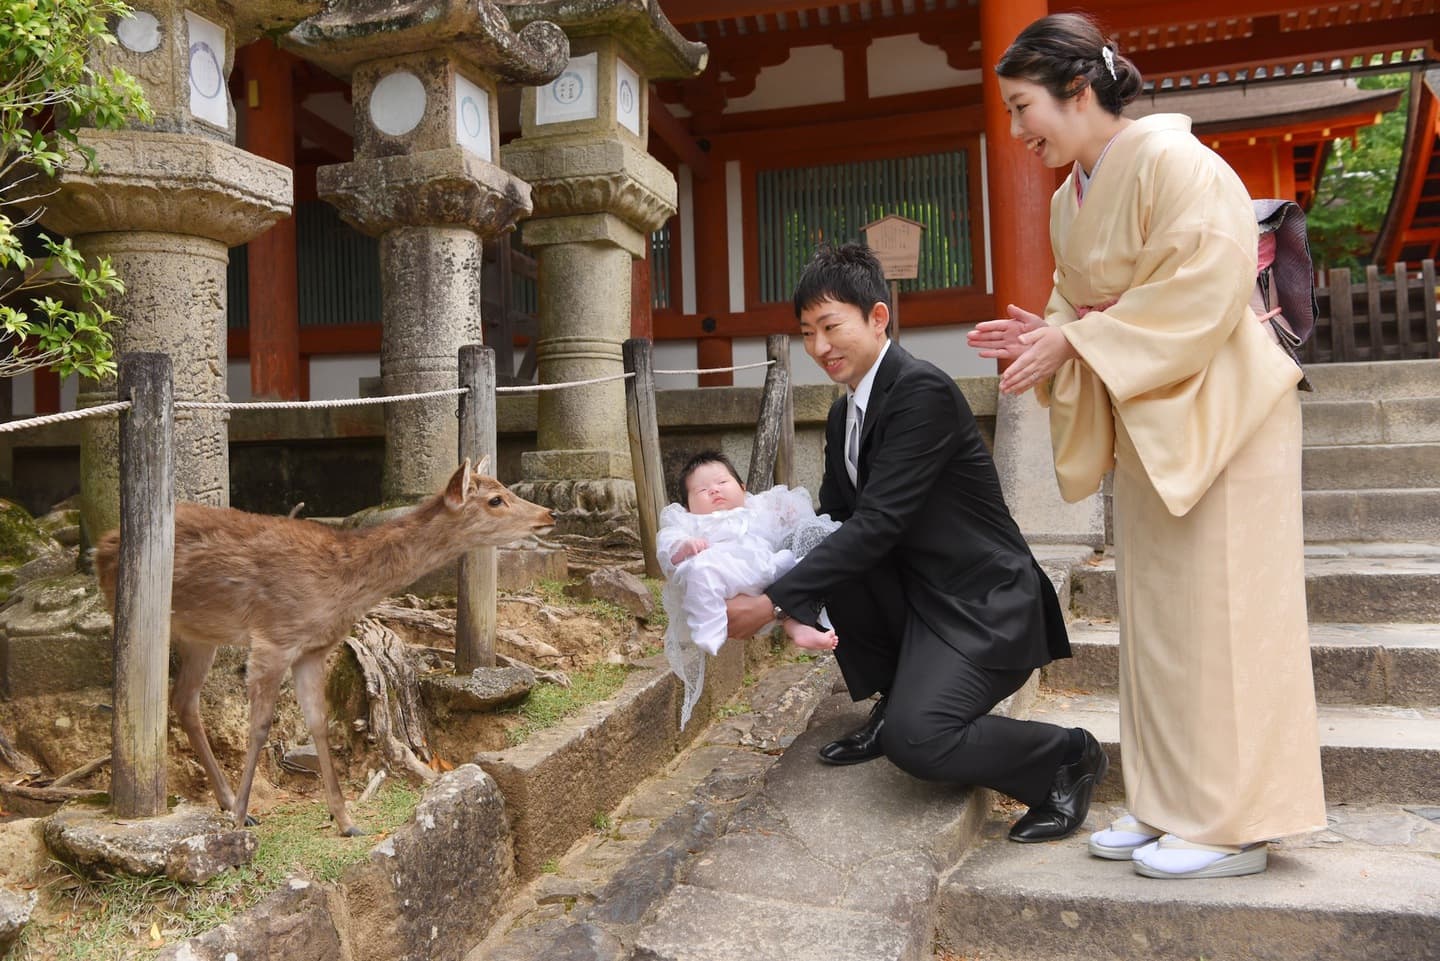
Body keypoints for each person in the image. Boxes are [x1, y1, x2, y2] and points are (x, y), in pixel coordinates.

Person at [969, 12, 1326, 879]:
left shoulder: (1178, 163)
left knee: (1226, 619)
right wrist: (1048, 338)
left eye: (1024, 109)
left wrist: (1080, 342)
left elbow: (1205, 286)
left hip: (1225, 414)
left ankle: (1236, 823)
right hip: (1154, 414)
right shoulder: (1070, 196)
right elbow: (1071, 301)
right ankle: (1169, 802)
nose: (1017, 132)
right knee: (1162, 623)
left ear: (1079, 92)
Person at [726, 242, 1104, 845]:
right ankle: (898, 691)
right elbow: (838, 517)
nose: (819, 347)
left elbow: (879, 524)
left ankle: (1063, 757)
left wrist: (775, 602)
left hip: (981, 602)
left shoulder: (920, 391)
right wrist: (742, 552)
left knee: (918, 739)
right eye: (807, 333)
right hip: (919, 594)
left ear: (878, 318)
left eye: (831, 327)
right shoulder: (842, 412)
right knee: (827, 538)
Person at [658, 450, 840, 727]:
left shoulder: (756, 508)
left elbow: (786, 514)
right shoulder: (689, 523)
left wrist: (788, 513)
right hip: (723, 576)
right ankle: (710, 626)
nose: (714, 491)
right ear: (687, 507)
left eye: (722, 483)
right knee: (699, 572)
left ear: (743, 489)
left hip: (764, 570)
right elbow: (667, 544)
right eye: (702, 490)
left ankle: (799, 625)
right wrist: (683, 546)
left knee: (797, 565)